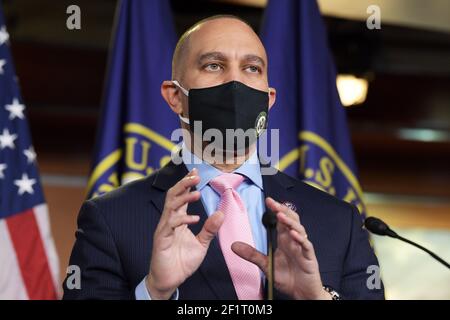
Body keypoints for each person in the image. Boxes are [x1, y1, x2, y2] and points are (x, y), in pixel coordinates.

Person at [63, 15, 384, 300]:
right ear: (175, 96)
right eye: (213, 65)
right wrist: (154, 293)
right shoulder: (110, 218)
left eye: (252, 68)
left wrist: (317, 299)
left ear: (269, 99)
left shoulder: (339, 220)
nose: (235, 82)